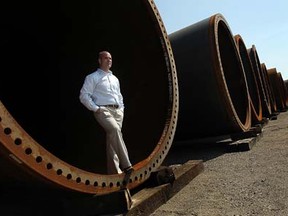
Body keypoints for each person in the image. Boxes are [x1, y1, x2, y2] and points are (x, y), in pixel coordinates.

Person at [79, 51, 133, 175]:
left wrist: (121, 109)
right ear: (99, 60)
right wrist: (96, 108)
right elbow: (84, 95)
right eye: (106, 58)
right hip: (103, 110)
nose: (109, 60)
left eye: (110, 58)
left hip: (117, 111)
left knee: (113, 139)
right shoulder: (92, 77)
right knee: (114, 130)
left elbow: (119, 96)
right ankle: (127, 165)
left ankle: (114, 172)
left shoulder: (115, 79)